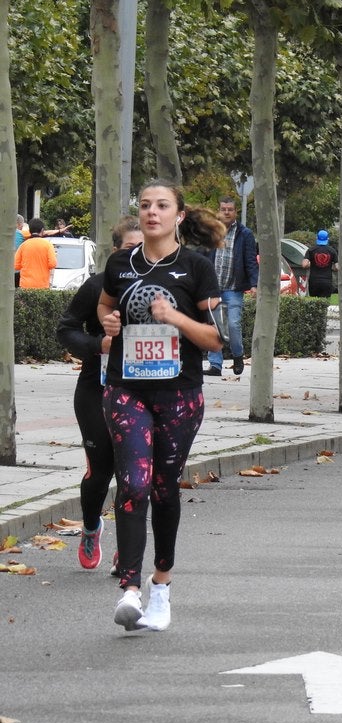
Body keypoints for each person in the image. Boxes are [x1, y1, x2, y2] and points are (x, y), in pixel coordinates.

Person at [98, 179, 225, 631]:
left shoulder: (196, 269)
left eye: (162, 205)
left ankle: (161, 585)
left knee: (163, 487)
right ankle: (129, 588)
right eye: (146, 205)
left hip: (179, 393)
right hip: (126, 387)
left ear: (179, 215)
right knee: (133, 481)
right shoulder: (120, 264)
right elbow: (104, 309)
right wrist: (109, 323)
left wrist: (174, 317)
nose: (152, 212)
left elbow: (216, 339)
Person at [56, 217, 144, 572]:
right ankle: (91, 527)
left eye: (143, 248)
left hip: (141, 393)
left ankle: (128, 547)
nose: (136, 255)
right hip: (96, 388)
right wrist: (99, 345)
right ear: (115, 251)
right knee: (100, 469)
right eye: (129, 249)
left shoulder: (161, 290)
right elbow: (66, 329)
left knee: (132, 473)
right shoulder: (96, 287)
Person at [202, 196, 258, 377]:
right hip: (212, 288)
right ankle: (215, 365)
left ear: (235, 212)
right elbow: (202, 256)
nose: (226, 212)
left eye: (230, 209)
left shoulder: (245, 234)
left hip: (233, 288)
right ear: (219, 210)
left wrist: (254, 283)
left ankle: (238, 355)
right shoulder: (210, 231)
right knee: (214, 326)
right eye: (223, 209)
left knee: (233, 324)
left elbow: (250, 260)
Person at [13, 217, 58, 289]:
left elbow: (16, 265)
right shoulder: (48, 245)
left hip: (25, 285)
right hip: (42, 285)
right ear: (42, 230)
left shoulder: (23, 245)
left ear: (29, 230)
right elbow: (52, 264)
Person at [302, 229, 338, 298]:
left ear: (317, 238)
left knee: (315, 304)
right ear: (327, 239)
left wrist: (312, 264)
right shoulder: (332, 251)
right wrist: (330, 266)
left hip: (314, 281)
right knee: (324, 303)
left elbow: (304, 265)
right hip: (327, 281)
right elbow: (337, 267)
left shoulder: (311, 250)